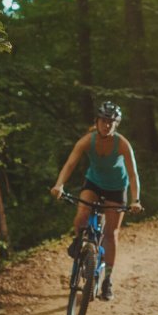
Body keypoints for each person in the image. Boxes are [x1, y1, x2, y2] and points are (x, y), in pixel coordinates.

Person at [51, 101, 143, 301]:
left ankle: (107, 281)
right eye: (103, 121)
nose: (107, 125)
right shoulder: (87, 140)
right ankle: (79, 244)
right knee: (82, 214)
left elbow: (133, 174)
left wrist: (135, 199)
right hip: (93, 183)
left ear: (116, 124)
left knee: (111, 234)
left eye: (111, 122)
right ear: (97, 121)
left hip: (117, 188)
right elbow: (70, 163)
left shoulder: (122, 144)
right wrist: (59, 185)